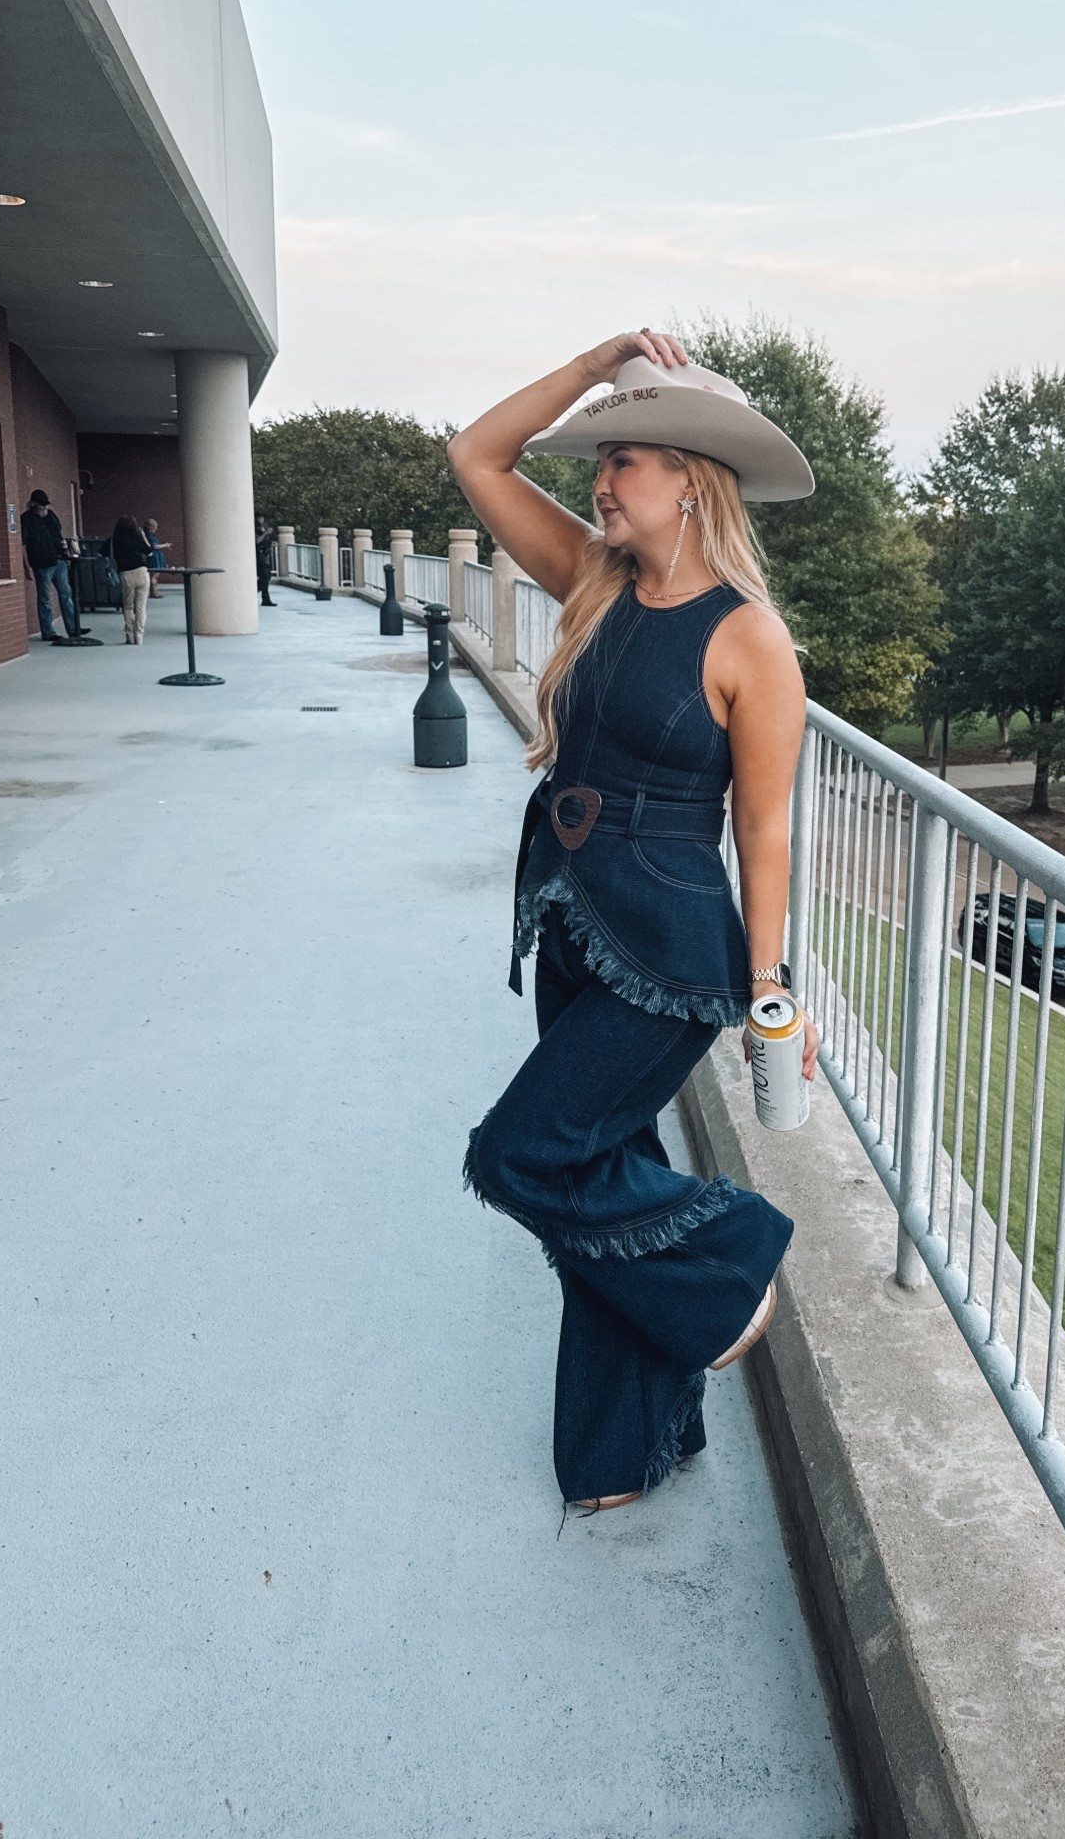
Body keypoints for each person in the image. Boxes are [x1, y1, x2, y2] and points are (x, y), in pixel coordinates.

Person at [448, 328, 819, 1516]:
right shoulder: (592, 582)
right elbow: (478, 455)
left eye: (627, 459)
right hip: (566, 922)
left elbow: (762, 832)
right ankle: (629, 1447)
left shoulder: (750, 638)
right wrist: (595, 361)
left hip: (669, 955)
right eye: (602, 460)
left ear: (693, 479)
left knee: (521, 1155)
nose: (602, 482)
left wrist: (773, 992)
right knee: (605, 1169)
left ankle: (731, 1263)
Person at [19, 489, 88, 642]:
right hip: (41, 563)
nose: (44, 509)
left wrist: (66, 553)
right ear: (34, 504)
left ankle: (73, 628)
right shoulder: (26, 519)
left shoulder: (51, 516)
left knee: (66, 594)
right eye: (41, 506)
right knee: (45, 598)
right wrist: (27, 567)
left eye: (45, 506)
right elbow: (22, 544)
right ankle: (48, 632)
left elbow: (59, 534)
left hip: (58, 560)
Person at [110, 515, 154, 644]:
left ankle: (129, 635)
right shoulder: (137, 538)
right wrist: (143, 536)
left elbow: (101, 554)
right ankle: (139, 636)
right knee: (140, 606)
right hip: (141, 572)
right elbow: (149, 552)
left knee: (128, 606)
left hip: (126, 574)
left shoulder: (115, 540)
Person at [144, 518, 170, 596]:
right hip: (155, 556)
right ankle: (153, 592)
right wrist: (165, 545)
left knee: (154, 575)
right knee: (154, 575)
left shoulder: (149, 535)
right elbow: (155, 546)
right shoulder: (150, 535)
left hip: (156, 555)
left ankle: (151, 591)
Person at [256, 518, 277, 606]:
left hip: (266, 556)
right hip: (259, 556)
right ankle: (254, 592)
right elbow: (257, 541)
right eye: (260, 517)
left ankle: (266, 598)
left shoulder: (262, 529)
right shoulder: (256, 529)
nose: (261, 519)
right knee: (263, 578)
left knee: (267, 577)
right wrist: (265, 533)